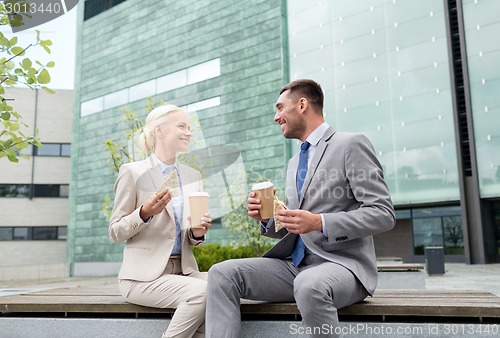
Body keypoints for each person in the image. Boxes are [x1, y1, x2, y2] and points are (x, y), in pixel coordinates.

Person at [205, 79, 395, 337]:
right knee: (222, 273)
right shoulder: (294, 162)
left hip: (342, 266)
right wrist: (267, 218)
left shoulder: (350, 145)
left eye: (280, 108)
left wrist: (320, 222)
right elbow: (295, 224)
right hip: (295, 267)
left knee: (309, 285)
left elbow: (382, 213)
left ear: (302, 104)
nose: (276, 117)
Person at [109, 104, 212, 338]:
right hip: (142, 277)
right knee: (204, 292)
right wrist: (143, 213)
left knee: (228, 283)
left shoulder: (192, 176)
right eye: (181, 126)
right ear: (159, 130)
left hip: (184, 272)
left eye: (189, 127)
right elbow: (115, 231)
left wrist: (197, 232)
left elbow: (193, 239)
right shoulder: (132, 172)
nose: (188, 132)